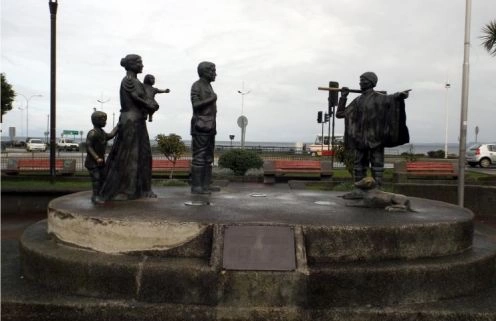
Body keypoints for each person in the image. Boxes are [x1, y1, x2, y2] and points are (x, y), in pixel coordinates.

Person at [336, 71, 409, 191]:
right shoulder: (357, 100)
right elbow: (340, 114)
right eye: (360, 80)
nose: (360, 82)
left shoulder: (380, 98)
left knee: (377, 166)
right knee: (358, 166)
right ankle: (359, 190)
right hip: (360, 140)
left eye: (363, 80)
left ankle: (378, 189)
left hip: (376, 139)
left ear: (371, 82)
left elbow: (392, 98)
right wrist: (343, 97)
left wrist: (400, 95)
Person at [99, 54, 157, 201]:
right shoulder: (128, 80)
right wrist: (149, 104)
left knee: (143, 155)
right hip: (131, 121)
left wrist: (150, 105)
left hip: (137, 120)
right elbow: (137, 98)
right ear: (131, 65)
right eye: (139, 62)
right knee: (130, 156)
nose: (142, 65)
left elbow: (143, 99)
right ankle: (127, 190)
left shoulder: (136, 81)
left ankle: (142, 188)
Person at [189, 61, 219, 194]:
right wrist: (212, 99)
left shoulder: (208, 86)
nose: (215, 74)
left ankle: (206, 184)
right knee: (200, 156)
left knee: (208, 157)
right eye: (213, 71)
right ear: (205, 71)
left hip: (210, 126)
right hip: (200, 126)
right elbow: (196, 105)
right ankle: (197, 186)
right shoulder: (197, 85)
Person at [85, 111, 117, 204]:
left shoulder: (102, 132)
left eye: (105, 120)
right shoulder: (92, 133)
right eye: (103, 120)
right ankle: (95, 197)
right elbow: (89, 147)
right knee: (96, 178)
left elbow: (110, 135)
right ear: (96, 121)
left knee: (103, 177)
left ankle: (101, 194)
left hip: (101, 162)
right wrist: (96, 158)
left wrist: (118, 126)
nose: (105, 122)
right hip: (92, 162)